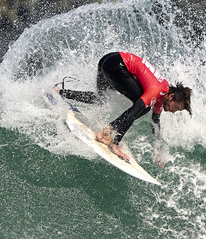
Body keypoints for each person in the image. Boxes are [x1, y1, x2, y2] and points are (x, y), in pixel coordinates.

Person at [57, 52, 192, 167]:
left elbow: (155, 121)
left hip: (108, 60)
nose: (174, 111)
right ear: (171, 97)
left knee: (100, 99)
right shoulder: (157, 91)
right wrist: (113, 139)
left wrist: (156, 148)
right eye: (176, 107)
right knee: (142, 108)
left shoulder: (163, 95)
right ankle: (109, 138)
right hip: (117, 65)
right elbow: (135, 111)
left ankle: (60, 92)